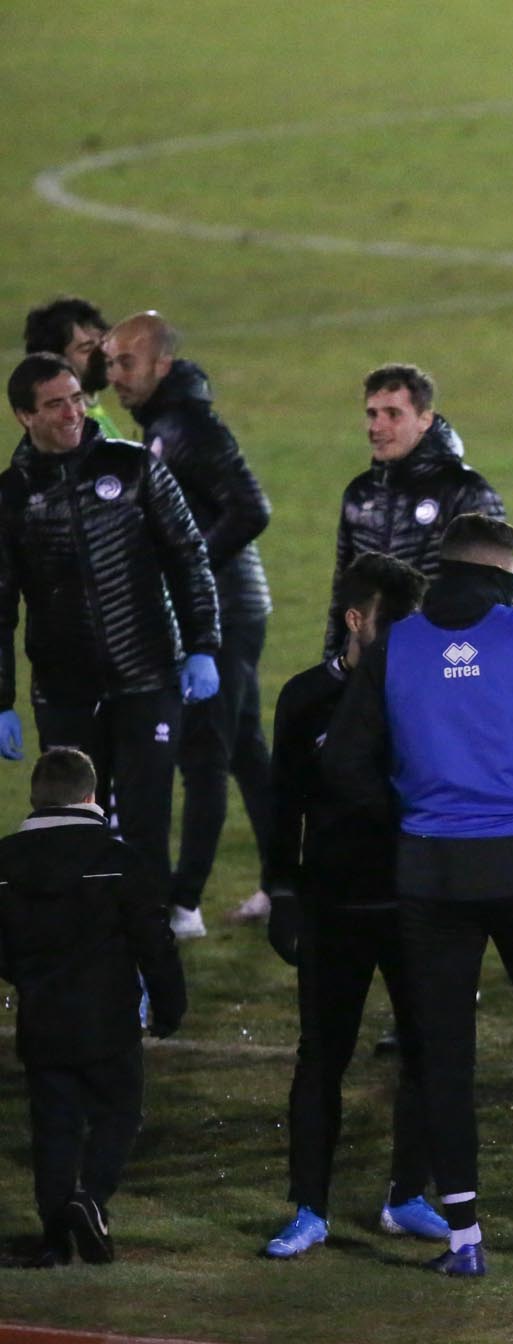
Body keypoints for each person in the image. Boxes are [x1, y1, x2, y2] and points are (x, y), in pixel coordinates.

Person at [323, 514, 513, 1277]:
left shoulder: (396, 644)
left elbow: (344, 764)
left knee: (444, 1055)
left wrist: (407, 814)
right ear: (504, 574)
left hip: (431, 874)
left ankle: (466, 1238)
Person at [260, 553, 445, 1260]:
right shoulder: (306, 698)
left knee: (428, 1048)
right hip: (333, 906)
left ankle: (408, 1194)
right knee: (322, 1057)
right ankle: (309, 1206)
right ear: (354, 620)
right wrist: (282, 891)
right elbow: (284, 807)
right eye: (392, 629)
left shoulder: (422, 693)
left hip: (413, 903)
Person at [0, 354, 220, 893]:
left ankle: (148, 953)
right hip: (65, 690)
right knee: (74, 831)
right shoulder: (10, 498)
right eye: (56, 404)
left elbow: (188, 555)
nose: (73, 412)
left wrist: (202, 644)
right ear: (24, 416)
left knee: (144, 826)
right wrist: (1, 700)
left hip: (148, 678)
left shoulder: (134, 466)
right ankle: (89, 952)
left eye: (77, 398)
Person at [106, 311, 275, 939]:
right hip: (231, 605)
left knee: (205, 753)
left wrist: (191, 573)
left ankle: (183, 906)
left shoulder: (186, 428)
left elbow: (252, 508)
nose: (115, 374)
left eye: (127, 362)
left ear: (162, 366)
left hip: (224, 612)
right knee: (247, 753)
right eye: (112, 360)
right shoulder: (166, 425)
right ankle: (284, 882)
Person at [0, 748, 185, 1268]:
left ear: (36, 798)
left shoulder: (5, 861)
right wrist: (171, 1006)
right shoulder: (118, 859)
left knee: (54, 1128)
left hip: (41, 1019)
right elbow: (155, 943)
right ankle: (90, 1199)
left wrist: (31, 978)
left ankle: (54, 1241)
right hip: (108, 1022)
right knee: (119, 1112)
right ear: (90, 798)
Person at [326, 363, 504, 657]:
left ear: (424, 419)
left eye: (393, 414)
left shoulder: (465, 491)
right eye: (372, 414)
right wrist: (333, 667)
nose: (377, 427)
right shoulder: (358, 494)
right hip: (373, 667)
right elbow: (343, 595)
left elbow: (501, 593)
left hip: (440, 664)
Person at [23, 296, 122, 439]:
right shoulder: (70, 429)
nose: (102, 354)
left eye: (103, 344)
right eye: (87, 349)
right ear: (56, 361)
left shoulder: (91, 413)